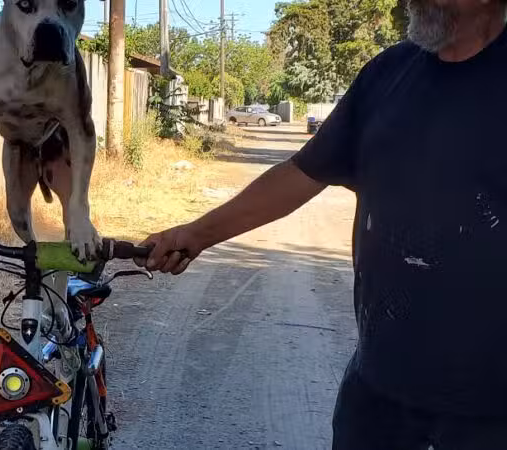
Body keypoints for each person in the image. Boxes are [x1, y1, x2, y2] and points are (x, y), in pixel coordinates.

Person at [135, 0, 507, 448]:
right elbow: (301, 174)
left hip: (491, 405)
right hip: (379, 388)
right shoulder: (386, 75)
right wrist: (195, 234)